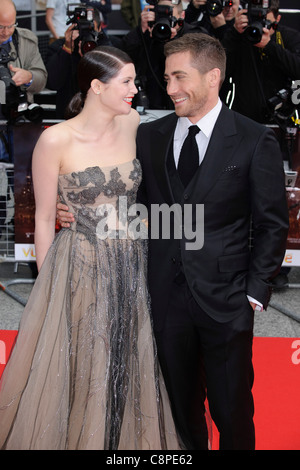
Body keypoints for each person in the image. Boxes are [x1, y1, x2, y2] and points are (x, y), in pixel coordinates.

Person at [57, 33, 289, 450]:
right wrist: (82, 214)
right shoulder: (152, 135)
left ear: (213, 76)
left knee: (232, 410)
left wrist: (255, 291)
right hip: (163, 298)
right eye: (166, 78)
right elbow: (143, 213)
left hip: (227, 300)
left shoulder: (255, 139)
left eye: (179, 78)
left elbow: (272, 223)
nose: (170, 89)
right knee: (179, 413)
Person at [0, 46, 181, 450]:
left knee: (129, 357)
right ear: (97, 87)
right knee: (86, 360)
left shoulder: (133, 122)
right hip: (80, 265)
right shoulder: (56, 140)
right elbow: (45, 219)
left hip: (134, 260)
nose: (136, 89)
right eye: (128, 82)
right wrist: (48, 292)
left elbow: (147, 193)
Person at [220, 0, 300, 124]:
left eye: (266, 23)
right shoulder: (238, 37)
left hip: (281, 118)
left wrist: (270, 46)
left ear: (277, 19)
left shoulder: (289, 37)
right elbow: (220, 68)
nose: (261, 28)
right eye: (256, 23)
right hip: (242, 119)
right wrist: (235, 33)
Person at [121, 0, 208, 110]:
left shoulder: (195, 34)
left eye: (170, 16)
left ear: (182, 15)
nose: (165, 20)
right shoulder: (147, 35)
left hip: (186, 103)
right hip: (151, 103)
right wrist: (141, 30)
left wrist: (174, 40)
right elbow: (125, 55)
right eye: (160, 16)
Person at [46, 5, 112, 119]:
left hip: (101, 116)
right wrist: (67, 49)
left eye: (90, 29)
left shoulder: (107, 48)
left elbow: (110, 79)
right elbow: (52, 83)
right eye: (82, 29)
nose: (85, 34)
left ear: (99, 29)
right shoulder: (59, 47)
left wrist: (91, 55)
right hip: (67, 117)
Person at [0, 0, 47, 106]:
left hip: (18, 112)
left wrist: (29, 77)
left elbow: (42, 79)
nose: (6, 32)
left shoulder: (27, 40)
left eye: (11, 26)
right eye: (1, 27)